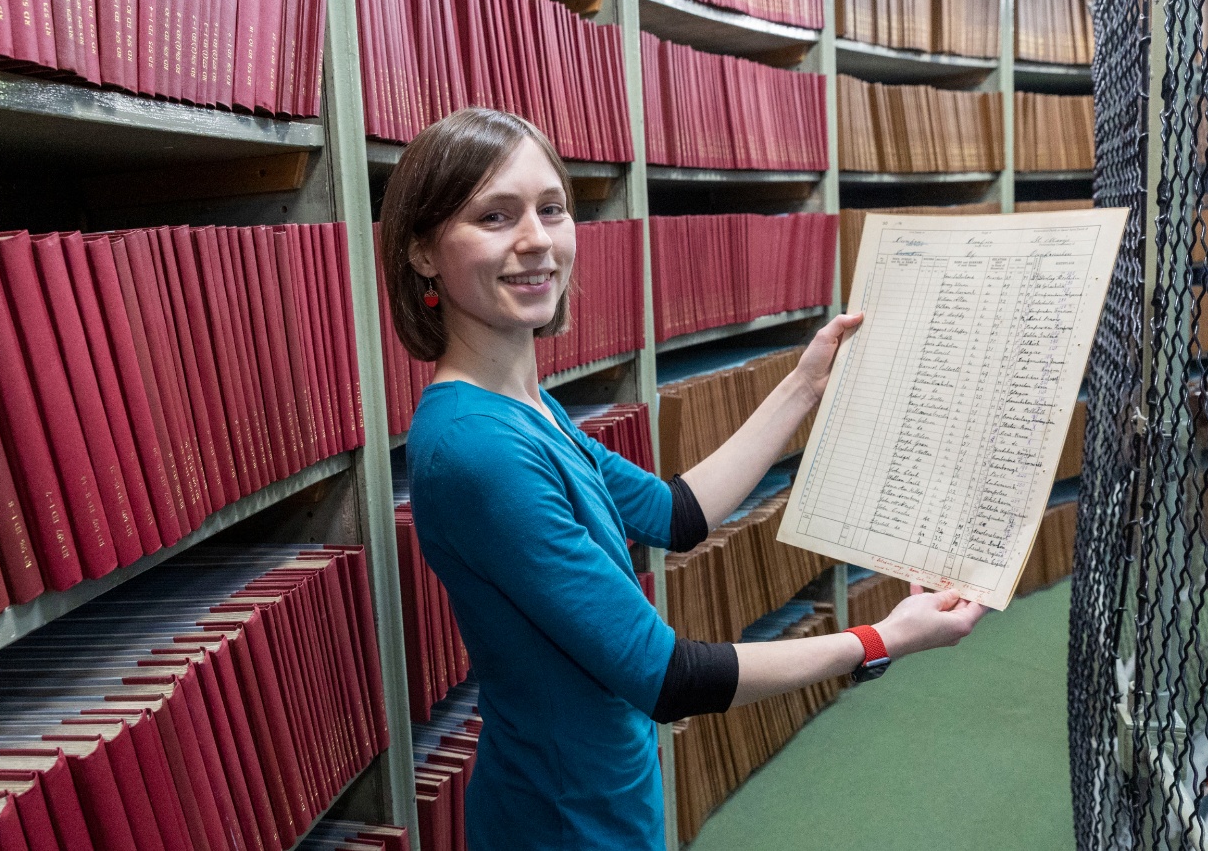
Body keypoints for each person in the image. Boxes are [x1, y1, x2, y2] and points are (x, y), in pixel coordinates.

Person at [383, 107, 988, 851]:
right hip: (561, 818)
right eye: (494, 216)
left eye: (551, 209)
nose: (536, 240)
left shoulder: (524, 409)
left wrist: (804, 383)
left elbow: (676, 513)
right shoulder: (477, 449)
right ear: (421, 252)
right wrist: (880, 639)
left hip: (602, 789)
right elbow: (666, 675)